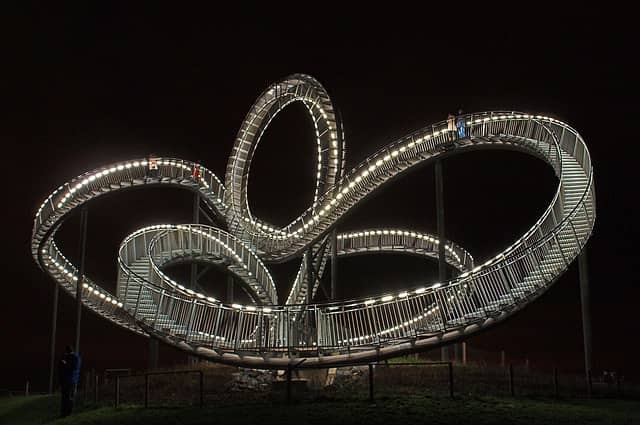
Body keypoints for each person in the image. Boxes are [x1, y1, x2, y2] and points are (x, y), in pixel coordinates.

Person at [59, 345, 81, 417]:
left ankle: (66, 413)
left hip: (68, 380)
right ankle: (67, 413)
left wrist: (64, 363)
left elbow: (70, 368)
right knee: (69, 397)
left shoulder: (70, 358)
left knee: (66, 397)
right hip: (73, 380)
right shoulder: (77, 357)